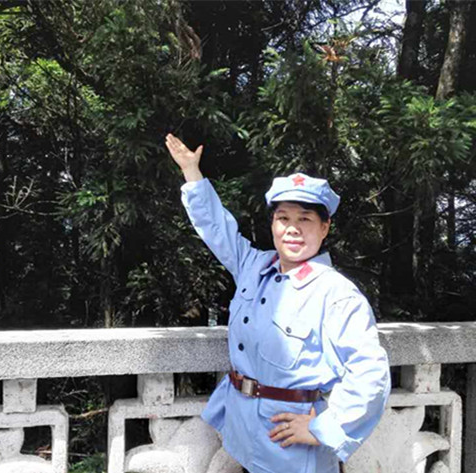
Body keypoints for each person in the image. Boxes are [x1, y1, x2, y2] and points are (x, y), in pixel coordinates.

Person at [165, 133, 390, 473]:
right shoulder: (254, 267)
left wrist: (324, 427)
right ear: (272, 223)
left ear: (325, 227)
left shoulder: (335, 293)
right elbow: (217, 230)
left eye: (305, 219)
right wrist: (191, 173)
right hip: (242, 431)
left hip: (290, 446)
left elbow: (370, 373)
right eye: (283, 218)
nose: (292, 229)